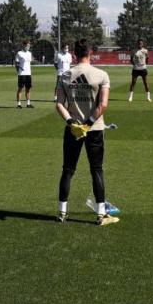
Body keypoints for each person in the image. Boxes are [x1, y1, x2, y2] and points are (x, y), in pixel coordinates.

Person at [54, 39, 118, 226]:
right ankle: (100, 215)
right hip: (95, 129)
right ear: (90, 53)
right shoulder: (101, 75)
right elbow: (103, 105)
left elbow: (59, 104)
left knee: (68, 170)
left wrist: (71, 122)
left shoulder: (65, 75)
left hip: (73, 130)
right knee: (96, 169)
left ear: (74, 53)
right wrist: (88, 124)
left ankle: (62, 212)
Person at [15, 39, 34, 109]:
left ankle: (28, 103)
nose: (28, 47)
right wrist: (19, 71)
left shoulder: (29, 53)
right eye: (27, 45)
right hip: (22, 74)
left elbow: (29, 63)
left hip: (28, 73)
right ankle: (19, 104)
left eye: (29, 45)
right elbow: (16, 64)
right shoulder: (19, 53)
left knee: (28, 89)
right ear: (23, 45)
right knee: (20, 89)